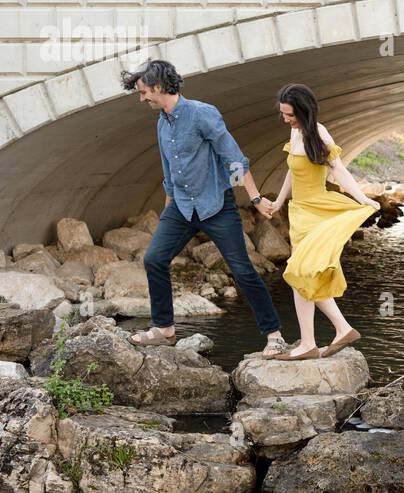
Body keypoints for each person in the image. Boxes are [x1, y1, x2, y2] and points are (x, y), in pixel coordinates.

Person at [120, 59, 289, 357]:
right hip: (182, 208)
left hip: (216, 205)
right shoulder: (162, 122)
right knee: (154, 259)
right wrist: (167, 211)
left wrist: (255, 198)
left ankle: (274, 335)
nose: (142, 97)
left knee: (243, 270)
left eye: (144, 91)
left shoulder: (201, 113)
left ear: (158, 87)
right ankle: (165, 329)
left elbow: (233, 158)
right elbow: (168, 170)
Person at [259, 83, 381, 360]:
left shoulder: (319, 133)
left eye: (290, 114)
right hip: (298, 212)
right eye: (283, 114)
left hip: (317, 210)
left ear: (304, 111)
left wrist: (362, 198)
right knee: (306, 274)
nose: (285, 119)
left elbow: (339, 170)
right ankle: (341, 328)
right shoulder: (295, 131)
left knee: (300, 273)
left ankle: (308, 343)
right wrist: (278, 202)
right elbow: (293, 170)